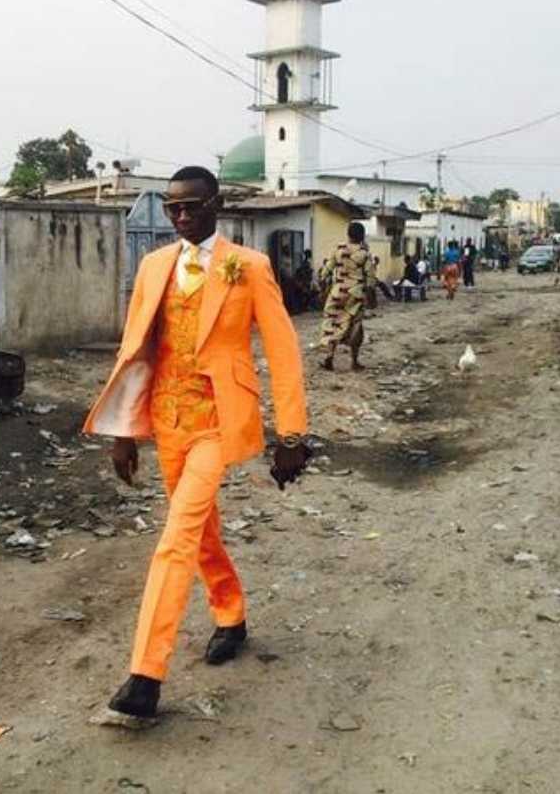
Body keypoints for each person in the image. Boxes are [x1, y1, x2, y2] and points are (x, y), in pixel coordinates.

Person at [83, 166, 307, 720]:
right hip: (167, 419)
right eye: (173, 208)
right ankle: (230, 612)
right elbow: (135, 350)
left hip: (217, 421)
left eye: (193, 207)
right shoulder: (154, 265)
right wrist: (123, 431)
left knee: (176, 538)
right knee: (199, 529)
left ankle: (145, 675)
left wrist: (293, 433)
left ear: (217, 204)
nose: (182, 217)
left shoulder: (249, 267)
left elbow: (283, 351)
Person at [317, 222, 377, 372]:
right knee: (356, 326)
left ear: (348, 235)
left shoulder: (339, 250)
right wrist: (372, 299)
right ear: (362, 236)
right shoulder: (365, 254)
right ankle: (354, 362)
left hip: (337, 293)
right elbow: (370, 280)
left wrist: (323, 291)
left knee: (333, 324)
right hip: (355, 295)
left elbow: (324, 273)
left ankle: (328, 359)